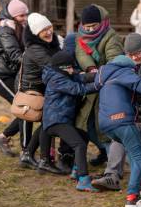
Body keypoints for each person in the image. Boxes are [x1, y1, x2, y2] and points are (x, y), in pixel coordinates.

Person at [94, 53, 141, 207]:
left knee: (132, 151)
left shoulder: (106, 77)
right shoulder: (124, 72)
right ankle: (132, 198)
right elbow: (140, 84)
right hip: (122, 121)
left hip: (106, 125)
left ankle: (140, 184)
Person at [91, 33, 141, 192]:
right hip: (128, 112)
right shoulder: (124, 65)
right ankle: (115, 177)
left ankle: (136, 182)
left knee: (131, 144)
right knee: (124, 138)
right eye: (129, 54)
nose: (133, 57)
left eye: (136, 53)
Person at [75, 4, 124, 168]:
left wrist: (99, 73)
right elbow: (80, 53)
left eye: (93, 26)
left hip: (107, 86)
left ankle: (113, 167)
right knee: (86, 124)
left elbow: (114, 59)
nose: (89, 30)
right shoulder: (80, 36)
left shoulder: (111, 36)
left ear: (101, 23)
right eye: (86, 26)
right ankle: (104, 153)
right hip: (90, 87)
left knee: (104, 127)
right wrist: (90, 68)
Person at [40, 51, 98, 190]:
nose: (73, 70)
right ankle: (83, 180)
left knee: (83, 136)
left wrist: (100, 74)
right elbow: (78, 89)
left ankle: (76, 170)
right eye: (71, 67)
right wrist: (99, 85)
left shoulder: (62, 74)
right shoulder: (57, 79)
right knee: (79, 145)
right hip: (56, 121)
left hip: (61, 120)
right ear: (63, 68)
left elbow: (81, 78)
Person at [19, 13, 62, 173]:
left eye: (49, 27)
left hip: (43, 88)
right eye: (44, 30)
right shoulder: (36, 49)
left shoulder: (49, 43)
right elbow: (53, 66)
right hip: (34, 90)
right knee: (48, 122)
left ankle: (29, 154)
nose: (49, 32)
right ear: (36, 33)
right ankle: (43, 159)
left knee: (47, 122)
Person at [0, 0, 29, 157]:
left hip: (12, 74)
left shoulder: (21, 27)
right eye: (21, 15)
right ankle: (26, 151)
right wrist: (36, 61)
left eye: (26, 14)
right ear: (13, 16)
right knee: (25, 110)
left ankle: (3, 138)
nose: (25, 18)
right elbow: (15, 55)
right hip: (0, 75)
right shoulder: (5, 30)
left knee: (26, 110)